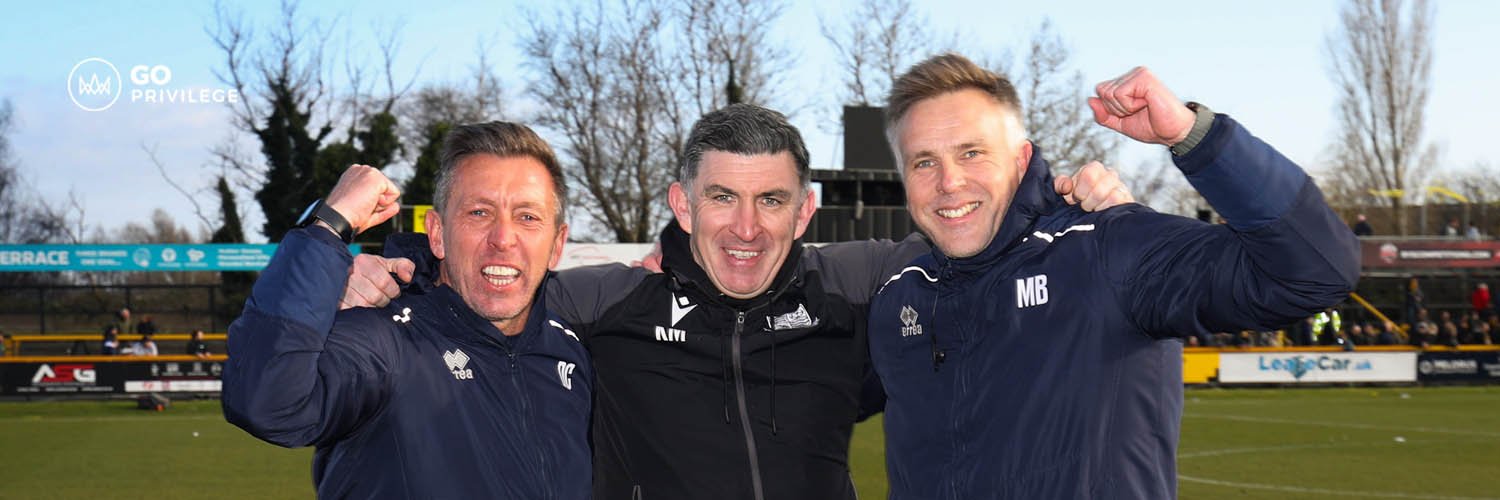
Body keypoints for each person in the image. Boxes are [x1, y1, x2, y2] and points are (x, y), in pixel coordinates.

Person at [343, 105, 1133, 499]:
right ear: (681, 205)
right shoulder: (599, 304)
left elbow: (972, 230)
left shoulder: (857, 292)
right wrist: (401, 264)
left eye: (772, 201)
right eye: (722, 197)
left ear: (807, 208)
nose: (747, 229)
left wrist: (1061, 201)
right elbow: (490, 275)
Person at [866, 55, 1359, 498]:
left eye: (972, 153)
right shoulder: (900, 295)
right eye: (924, 162)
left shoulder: (1104, 247)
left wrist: (1193, 137)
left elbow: (1316, 271)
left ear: (1020, 160)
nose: (949, 183)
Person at [221, 122, 592, 498]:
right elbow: (268, 403)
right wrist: (329, 228)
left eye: (528, 217)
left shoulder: (569, 350)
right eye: (479, 213)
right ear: (437, 233)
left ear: (557, 244)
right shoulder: (385, 338)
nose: (503, 239)